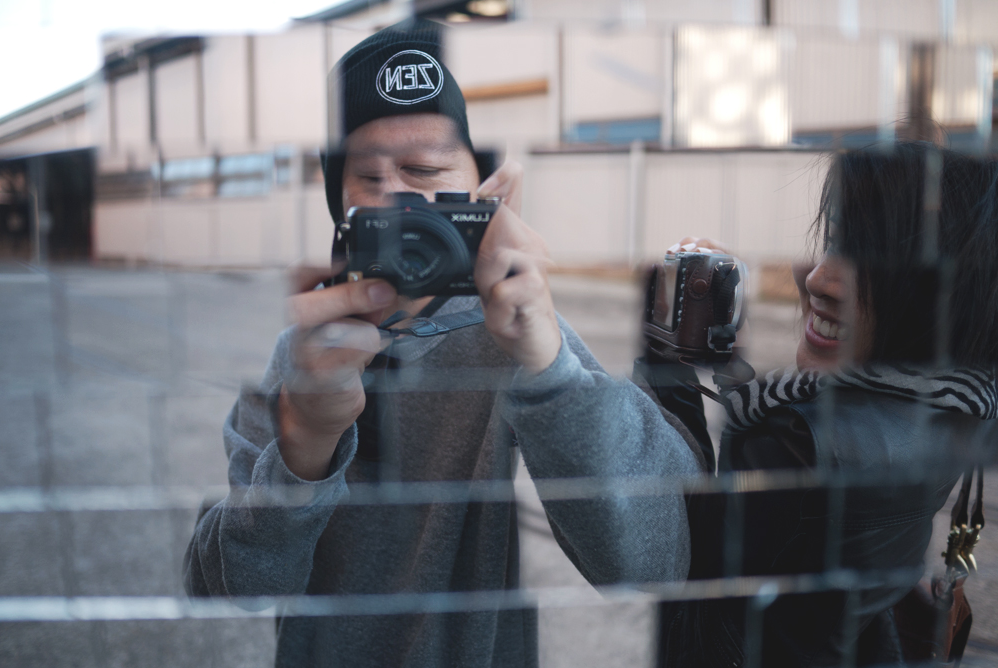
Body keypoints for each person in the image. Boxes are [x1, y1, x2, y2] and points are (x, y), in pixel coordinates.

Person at [183, 20, 703, 668]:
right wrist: (304, 446)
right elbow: (229, 586)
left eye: (425, 170)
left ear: (487, 191)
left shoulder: (514, 335)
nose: (399, 201)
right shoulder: (306, 353)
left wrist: (550, 370)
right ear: (337, 200)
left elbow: (653, 564)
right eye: (368, 177)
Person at [642, 142, 998, 666]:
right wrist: (724, 347)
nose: (818, 279)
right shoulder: (968, 402)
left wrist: (665, 357)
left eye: (871, 260)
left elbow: (673, 550)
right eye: (832, 239)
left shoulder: (792, 440)